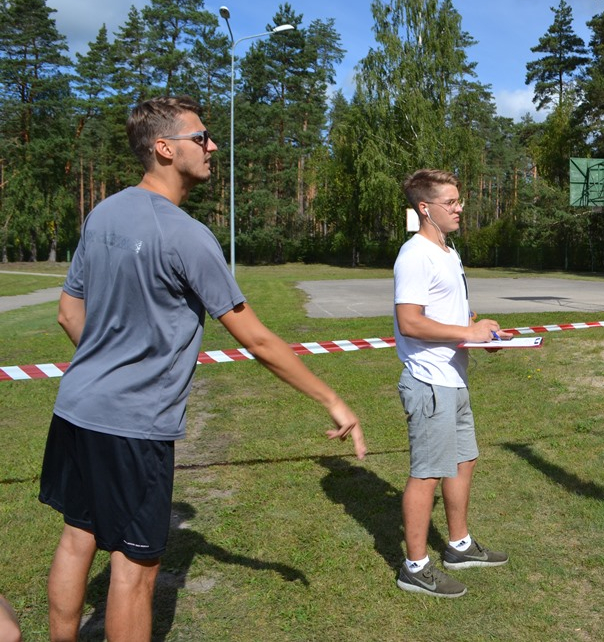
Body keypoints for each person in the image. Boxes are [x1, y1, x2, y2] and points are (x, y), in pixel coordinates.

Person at [38, 96, 367, 642]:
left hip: (75, 408)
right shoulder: (188, 235)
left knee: (78, 537)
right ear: (165, 149)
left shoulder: (103, 213)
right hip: (133, 425)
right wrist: (333, 400)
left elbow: (69, 312)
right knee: (134, 569)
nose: (212, 146)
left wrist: (107, 359)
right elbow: (257, 338)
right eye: (201, 137)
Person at [392, 169, 510, 598]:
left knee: (464, 460)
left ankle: (458, 546)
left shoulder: (448, 251)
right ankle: (414, 567)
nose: (460, 208)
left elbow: (449, 315)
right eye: (451, 202)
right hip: (429, 382)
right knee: (427, 473)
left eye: (460, 200)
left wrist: (480, 331)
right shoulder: (415, 255)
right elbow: (410, 321)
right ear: (426, 208)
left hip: (455, 378)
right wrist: (469, 333)